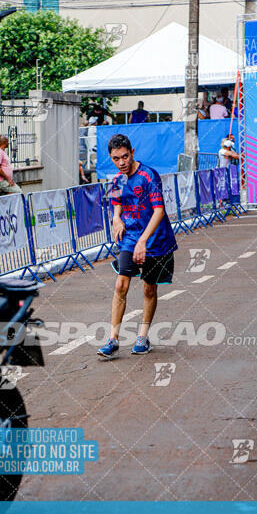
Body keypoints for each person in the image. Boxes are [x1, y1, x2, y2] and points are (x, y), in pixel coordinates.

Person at [97, 134, 178, 359]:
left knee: (148, 288)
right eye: (116, 158)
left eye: (125, 156)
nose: (121, 162)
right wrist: (116, 218)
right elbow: (116, 203)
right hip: (130, 238)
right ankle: (113, 339)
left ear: (132, 152)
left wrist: (143, 240)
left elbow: (159, 211)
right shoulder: (116, 180)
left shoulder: (148, 176)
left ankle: (143, 336)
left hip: (154, 239)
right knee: (120, 285)